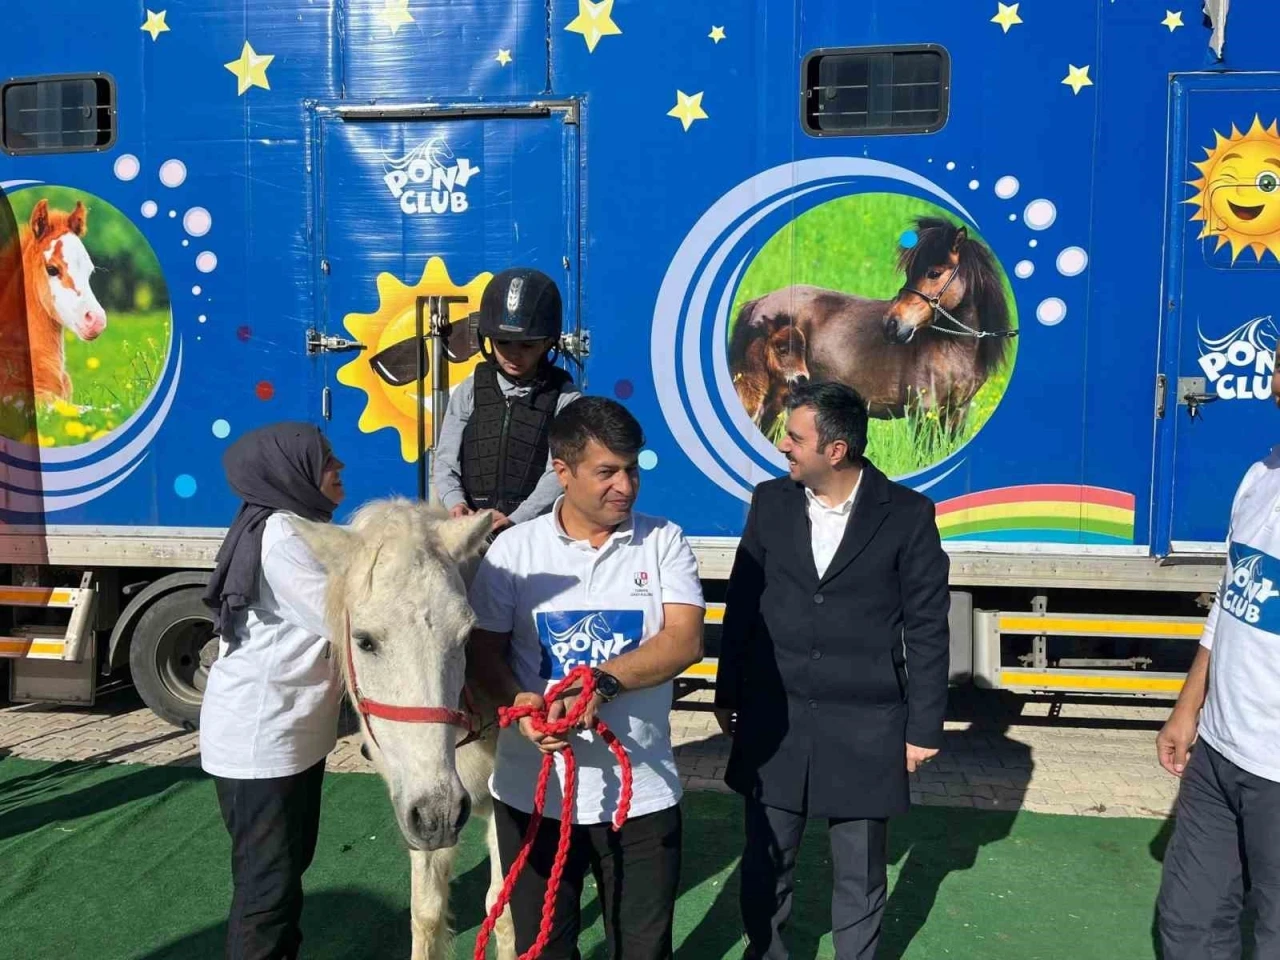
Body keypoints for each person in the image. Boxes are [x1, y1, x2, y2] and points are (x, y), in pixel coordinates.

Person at [714, 381, 951, 960]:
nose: (783, 446)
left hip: (866, 726)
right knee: (765, 867)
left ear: (836, 450)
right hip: (774, 722)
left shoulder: (908, 515)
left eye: (795, 438)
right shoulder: (769, 502)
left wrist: (922, 729)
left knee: (860, 876)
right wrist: (727, 691)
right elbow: (743, 603)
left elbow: (926, 627)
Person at [467, 396, 705, 960]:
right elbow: (482, 655)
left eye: (632, 469)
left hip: (641, 795)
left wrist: (602, 680)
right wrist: (520, 705)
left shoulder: (663, 540)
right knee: (544, 948)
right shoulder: (514, 550)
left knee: (643, 950)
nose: (625, 485)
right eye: (607, 472)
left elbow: (684, 640)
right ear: (563, 471)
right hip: (533, 795)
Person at [199, 421, 346, 960]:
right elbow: (347, 616)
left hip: (293, 734)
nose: (339, 467)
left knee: (284, 874)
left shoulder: (302, 526)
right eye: (326, 460)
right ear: (290, 471)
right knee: (266, 889)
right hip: (261, 739)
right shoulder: (283, 538)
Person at [1154, 362, 1280, 959]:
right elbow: (1230, 602)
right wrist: (1188, 707)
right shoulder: (1260, 477)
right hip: (1219, 753)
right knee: (1189, 924)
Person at [433, 266, 582, 534]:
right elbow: (445, 460)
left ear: (548, 343)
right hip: (471, 528)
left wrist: (517, 519)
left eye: (527, 345)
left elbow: (559, 472)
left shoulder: (565, 398)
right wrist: (456, 504)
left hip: (534, 531)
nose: (514, 354)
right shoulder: (470, 389)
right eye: (503, 342)